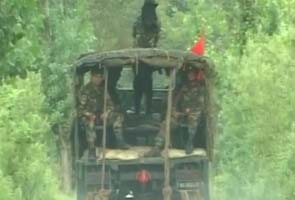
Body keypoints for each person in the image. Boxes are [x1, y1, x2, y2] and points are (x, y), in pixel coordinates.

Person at [144, 67, 206, 157]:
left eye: (192, 73)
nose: (190, 75)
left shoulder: (201, 88)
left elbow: (201, 105)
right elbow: (175, 102)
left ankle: (190, 142)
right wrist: (175, 112)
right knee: (166, 123)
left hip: (194, 113)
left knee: (193, 119)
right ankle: (157, 147)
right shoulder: (183, 87)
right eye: (189, 73)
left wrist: (189, 111)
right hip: (181, 115)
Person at [78, 68, 129, 157]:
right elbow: (79, 109)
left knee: (118, 116)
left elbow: (111, 105)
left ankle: (120, 141)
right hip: (89, 116)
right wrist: (88, 114)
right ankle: (92, 148)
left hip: (101, 115)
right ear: (92, 77)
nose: (98, 79)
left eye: (100, 77)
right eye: (96, 77)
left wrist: (107, 112)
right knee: (89, 123)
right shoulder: (85, 90)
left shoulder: (103, 89)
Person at [132, 0, 161, 114]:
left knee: (149, 86)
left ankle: (148, 110)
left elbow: (156, 40)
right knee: (138, 85)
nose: (152, 10)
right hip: (138, 60)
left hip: (150, 61)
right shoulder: (139, 22)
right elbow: (137, 38)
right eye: (150, 7)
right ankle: (137, 110)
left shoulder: (156, 23)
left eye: (153, 8)